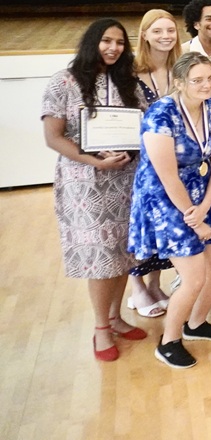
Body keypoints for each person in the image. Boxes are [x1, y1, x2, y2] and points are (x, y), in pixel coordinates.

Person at [42, 19, 147, 361]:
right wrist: (94, 160)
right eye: (106, 41)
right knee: (101, 257)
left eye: (119, 42)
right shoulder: (65, 81)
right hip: (86, 184)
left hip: (126, 179)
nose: (113, 48)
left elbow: (143, 128)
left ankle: (116, 317)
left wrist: (129, 151)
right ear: (92, 42)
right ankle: (101, 328)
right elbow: (53, 136)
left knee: (122, 253)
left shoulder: (130, 83)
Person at [128, 52, 211, 369]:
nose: (206, 85)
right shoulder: (160, 115)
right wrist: (193, 216)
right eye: (197, 80)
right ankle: (168, 341)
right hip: (165, 196)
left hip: (204, 192)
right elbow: (167, 175)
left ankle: (197, 323)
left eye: (210, 78)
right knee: (193, 278)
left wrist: (205, 207)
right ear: (180, 82)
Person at [130, 9, 182, 315]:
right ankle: (136, 288)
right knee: (142, 227)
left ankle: (154, 285)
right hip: (139, 163)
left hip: (175, 161)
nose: (165, 36)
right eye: (158, 31)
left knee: (164, 226)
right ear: (145, 34)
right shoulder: (130, 73)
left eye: (170, 31)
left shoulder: (180, 70)